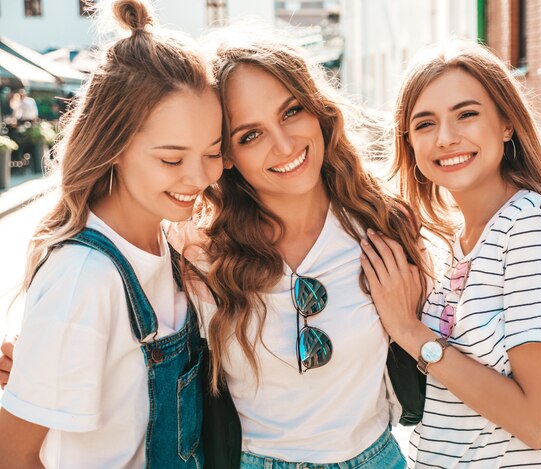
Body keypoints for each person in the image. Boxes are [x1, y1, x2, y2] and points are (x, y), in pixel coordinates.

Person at [360, 39, 541, 468]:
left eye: (467, 114)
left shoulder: (530, 228)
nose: (446, 138)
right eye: (425, 124)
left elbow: (537, 423)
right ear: (408, 141)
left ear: (506, 123)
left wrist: (412, 333)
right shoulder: (456, 244)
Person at [178, 31, 432, 468]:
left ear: (318, 109)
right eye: (251, 135)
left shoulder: (386, 227)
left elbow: (453, 342)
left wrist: (409, 325)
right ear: (227, 156)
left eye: (291, 111)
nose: (284, 145)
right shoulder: (199, 253)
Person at [0, 0, 223, 467]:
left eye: (212, 152)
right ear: (113, 146)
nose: (198, 177)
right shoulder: (84, 277)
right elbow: (14, 456)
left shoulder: (169, 246)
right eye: (171, 159)